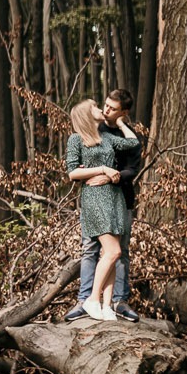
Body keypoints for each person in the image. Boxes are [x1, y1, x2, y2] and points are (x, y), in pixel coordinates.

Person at [66, 89, 143, 322]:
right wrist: (101, 170)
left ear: (123, 112)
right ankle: (88, 299)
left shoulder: (110, 136)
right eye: (103, 106)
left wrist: (112, 174)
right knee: (100, 250)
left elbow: (132, 147)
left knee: (118, 253)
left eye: (111, 108)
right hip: (94, 199)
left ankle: (112, 303)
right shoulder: (80, 136)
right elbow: (73, 172)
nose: (105, 109)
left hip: (118, 198)